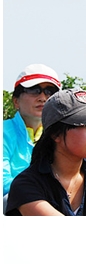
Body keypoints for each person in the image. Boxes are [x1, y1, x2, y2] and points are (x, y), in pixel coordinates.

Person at [3, 64, 61, 205]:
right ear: (16, 101)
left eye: (49, 91)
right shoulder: (3, 132)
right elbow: (3, 184)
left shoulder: (60, 135)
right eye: (34, 90)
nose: (42, 97)